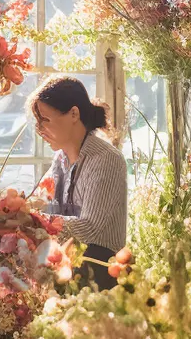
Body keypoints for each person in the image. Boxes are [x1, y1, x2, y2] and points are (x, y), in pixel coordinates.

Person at [31, 76, 127, 290]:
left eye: (45, 120)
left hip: (99, 278)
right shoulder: (61, 159)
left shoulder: (106, 159)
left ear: (74, 114)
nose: (40, 130)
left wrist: (39, 221)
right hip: (66, 272)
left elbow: (89, 229)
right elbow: (38, 204)